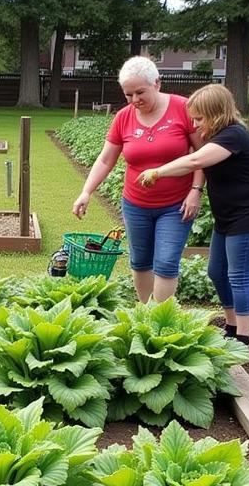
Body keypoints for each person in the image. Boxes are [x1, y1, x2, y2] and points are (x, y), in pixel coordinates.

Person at [136, 84, 249, 346]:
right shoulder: (219, 136)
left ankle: (243, 341)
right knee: (217, 272)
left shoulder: (234, 135)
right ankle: (231, 328)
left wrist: (157, 172)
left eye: (200, 118)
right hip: (228, 218)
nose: (196, 124)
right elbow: (192, 160)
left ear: (216, 114)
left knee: (239, 276)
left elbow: (194, 162)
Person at [71, 55, 204, 303]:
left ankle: (160, 320)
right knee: (141, 261)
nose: (134, 100)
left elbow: (201, 154)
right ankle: (144, 313)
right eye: (128, 95)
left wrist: (196, 190)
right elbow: (105, 159)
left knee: (165, 261)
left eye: (140, 92)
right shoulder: (124, 117)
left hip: (176, 205)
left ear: (157, 83)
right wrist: (86, 192)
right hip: (136, 204)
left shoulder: (183, 109)